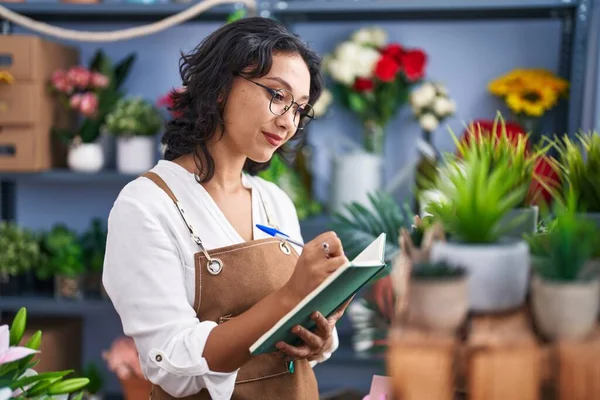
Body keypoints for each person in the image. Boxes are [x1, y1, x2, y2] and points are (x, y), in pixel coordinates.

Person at [102, 16, 350, 400]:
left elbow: (286, 340)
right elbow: (173, 367)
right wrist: (289, 296)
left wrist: (316, 335)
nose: (288, 123)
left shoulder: (274, 201)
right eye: (278, 95)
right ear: (220, 87)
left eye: (300, 108)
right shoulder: (146, 205)